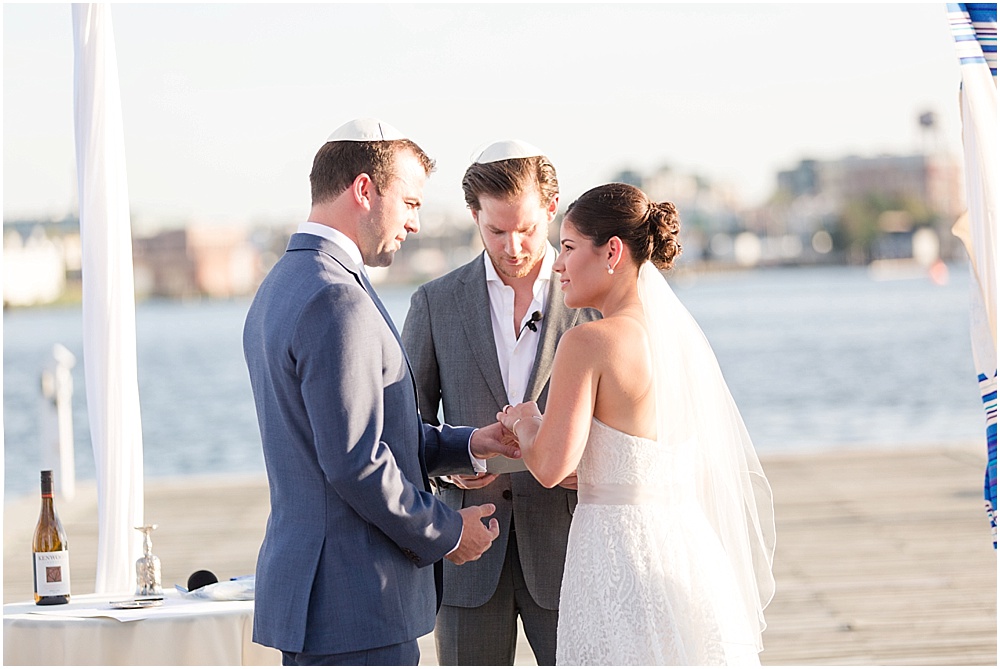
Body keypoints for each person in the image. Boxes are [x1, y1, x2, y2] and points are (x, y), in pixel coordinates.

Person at [242, 118, 521, 666]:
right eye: (411, 203)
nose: (415, 224)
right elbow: (355, 461)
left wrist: (466, 445)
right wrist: (445, 531)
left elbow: (362, 430)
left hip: (324, 600)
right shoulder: (335, 298)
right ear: (364, 190)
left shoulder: (282, 283)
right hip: (357, 603)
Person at [497, 182, 776, 665]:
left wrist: (525, 421)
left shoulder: (589, 342)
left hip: (615, 554)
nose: (557, 264)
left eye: (566, 247)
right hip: (685, 547)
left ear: (612, 251)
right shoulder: (678, 341)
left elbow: (548, 466)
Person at [401, 140, 599, 665]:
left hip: (571, 548)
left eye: (528, 229)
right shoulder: (434, 302)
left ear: (552, 210)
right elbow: (407, 424)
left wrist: (594, 462)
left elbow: (633, 416)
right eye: (496, 230)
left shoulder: (597, 300)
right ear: (474, 216)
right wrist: (448, 467)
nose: (513, 246)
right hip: (469, 557)